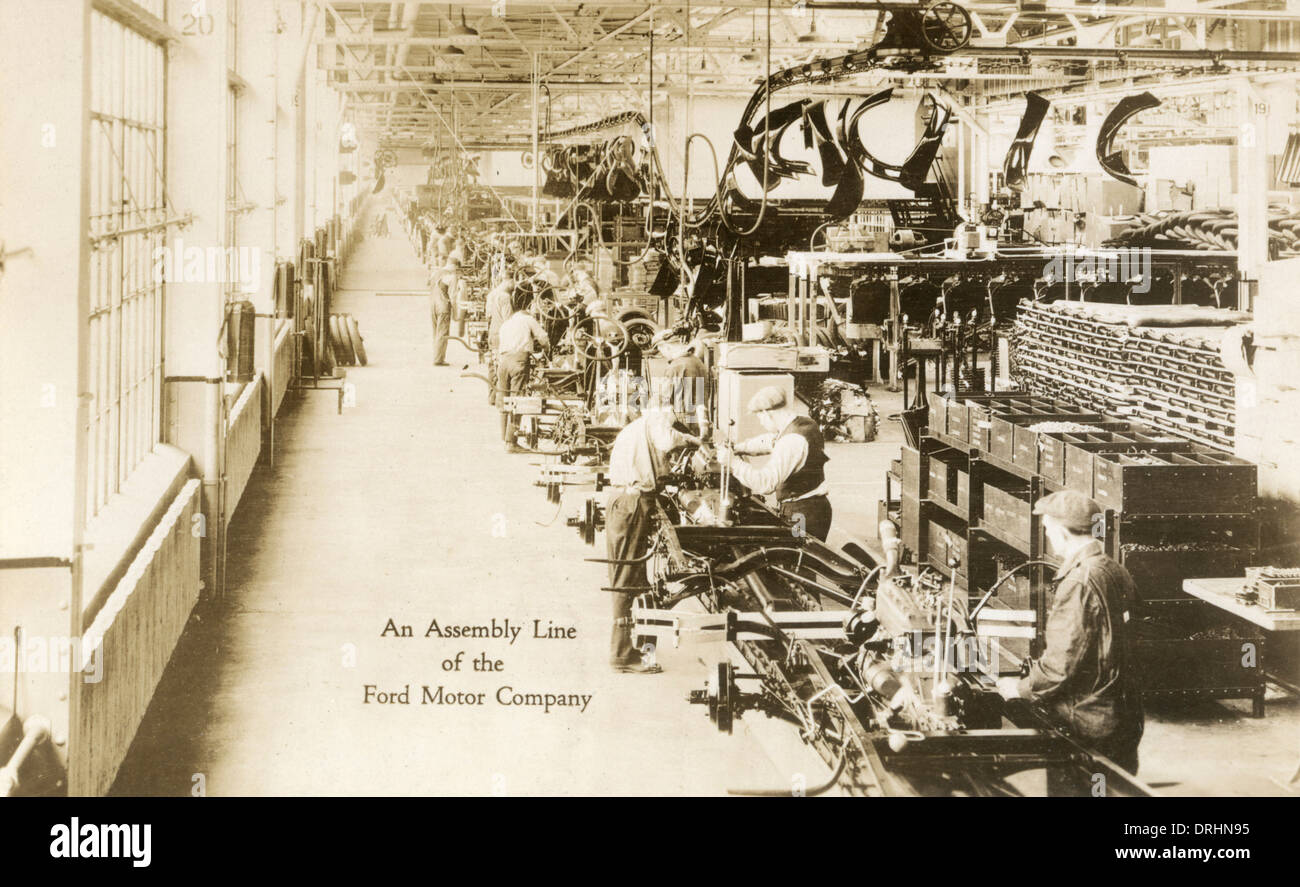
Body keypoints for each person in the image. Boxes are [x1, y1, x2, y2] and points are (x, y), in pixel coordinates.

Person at [996, 490, 1144, 795]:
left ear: (1063, 533)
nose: (1049, 537)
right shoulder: (1115, 570)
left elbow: (1059, 668)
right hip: (1123, 715)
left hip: (1087, 722)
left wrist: (1019, 688)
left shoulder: (1078, 582)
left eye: (1049, 530)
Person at [605, 383, 706, 674]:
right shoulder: (659, 418)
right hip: (631, 503)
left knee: (636, 580)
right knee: (626, 579)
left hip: (627, 501)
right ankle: (621, 656)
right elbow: (666, 441)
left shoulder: (639, 425)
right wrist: (695, 441)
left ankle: (632, 652)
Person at [717, 386, 832, 541]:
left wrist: (733, 462)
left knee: (797, 560)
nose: (761, 423)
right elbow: (769, 440)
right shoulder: (803, 424)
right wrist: (738, 448)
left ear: (767, 413)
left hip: (802, 515)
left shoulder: (792, 441)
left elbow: (765, 483)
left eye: (760, 418)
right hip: (812, 507)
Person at [496, 284, 550, 452]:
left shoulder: (508, 322)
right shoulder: (528, 319)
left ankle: (505, 437)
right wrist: (547, 350)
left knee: (505, 401)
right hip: (518, 361)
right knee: (517, 402)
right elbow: (543, 338)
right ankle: (511, 443)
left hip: (503, 361)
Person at [483, 271, 516, 406]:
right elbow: (508, 320)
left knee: (493, 364)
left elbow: (488, 315)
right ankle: (499, 399)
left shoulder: (492, 294)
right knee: (501, 367)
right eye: (515, 282)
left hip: (493, 332)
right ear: (510, 281)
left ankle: (492, 396)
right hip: (502, 336)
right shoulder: (505, 297)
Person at [430, 257, 460, 366]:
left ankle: (436, 355)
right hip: (443, 306)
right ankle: (438, 359)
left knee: (436, 332)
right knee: (443, 333)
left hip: (433, 304)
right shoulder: (452, 276)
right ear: (456, 266)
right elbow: (453, 296)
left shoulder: (436, 272)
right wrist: (456, 313)